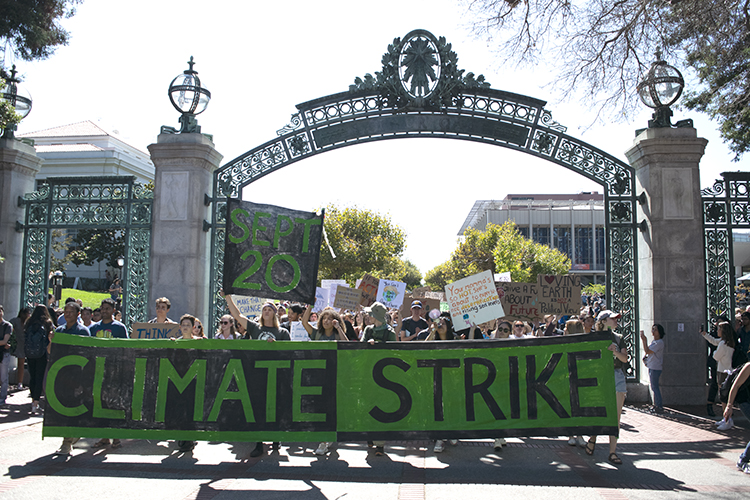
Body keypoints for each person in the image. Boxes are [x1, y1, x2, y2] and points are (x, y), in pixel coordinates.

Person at [223, 294, 289, 457]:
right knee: (258, 407)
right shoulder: (254, 328)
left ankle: (276, 438)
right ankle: (259, 443)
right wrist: (228, 298)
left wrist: (276, 347)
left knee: (275, 406)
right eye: (264, 309)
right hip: (257, 374)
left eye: (269, 310)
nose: (266, 312)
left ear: (275, 313)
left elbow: (289, 353)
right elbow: (237, 315)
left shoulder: (282, 332)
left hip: (276, 374)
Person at [585, 310, 628, 465]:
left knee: (615, 417)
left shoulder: (619, 338)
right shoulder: (593, 338)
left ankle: (612, 452)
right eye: (613, 318)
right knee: (599, 411)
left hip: (616, 376)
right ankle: (593, 437)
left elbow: (625, 358)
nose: (616, 321)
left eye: (616, 319)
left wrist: (615, 351)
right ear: (603, 321)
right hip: (600, 376)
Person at [53, 301, 91, 456]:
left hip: (76, 375)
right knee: (63, 408)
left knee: (72, 407)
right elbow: (52, 352)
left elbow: (87, 353)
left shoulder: (83, 331)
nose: (67, 315)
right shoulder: (60, 330)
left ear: (78, 314)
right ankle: (71, 435)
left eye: (70, 312)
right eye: (65, 312)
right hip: (60, 375)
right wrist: (51, 340)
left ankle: (67, 442)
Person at [360, 302, 396, 456]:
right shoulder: (368, 330)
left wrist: (379, 344)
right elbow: (361, 347)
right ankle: (369, 435)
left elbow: (394, 351)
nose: (368, 316)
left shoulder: (390, 332)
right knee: (368, 404)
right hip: (368, 371)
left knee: (382, 406)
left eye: (370, 314)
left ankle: (380, 443)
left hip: (385, 375)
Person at [701, 322, 736, 428]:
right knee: (724, 396)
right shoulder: (727, 342)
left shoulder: (723, 344)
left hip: (723, 372)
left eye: (719, 329)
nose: (717, 331)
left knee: (724, 397)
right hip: (727, 370)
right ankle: (725, 418)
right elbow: (714, 341)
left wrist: (715, 352)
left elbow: (715, 356)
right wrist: (704, 334)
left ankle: (727, 419)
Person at [24, 305, 55, 414]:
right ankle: (36, 403)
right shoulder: (47, 323)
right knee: (39, 377)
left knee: (32, 377)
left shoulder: (29, 322)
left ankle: (33, 400)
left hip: (30, 354)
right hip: (42, 353)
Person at [722, 362, 750, 474]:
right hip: (745, 402)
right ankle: (743, 460)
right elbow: (736, 385)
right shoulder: (749, 366)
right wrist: (729, 406)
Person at [641, 324, 665, 413]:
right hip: (652, 366)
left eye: (655, 330)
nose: (653, 331)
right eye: (652, 329)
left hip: (655, 367)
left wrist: (644, 340)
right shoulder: (655, 342)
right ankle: (657, 405)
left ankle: (659, 406)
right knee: (654, 387)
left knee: (655, 387)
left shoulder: (659, 343)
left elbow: (647, 351)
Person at [10, 307, 30, 390]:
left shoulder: (16, 321)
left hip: (22, 345)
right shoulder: (21, 321)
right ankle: (20, 382)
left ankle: (20, 383)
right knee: (22, 365)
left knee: (21, 364)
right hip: (24, 345)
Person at [0, 305, 13, 407]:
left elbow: (5, 341)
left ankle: (2, 397)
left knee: (3, 377)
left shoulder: (7, 325)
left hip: (4, 354)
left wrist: (4, 343)